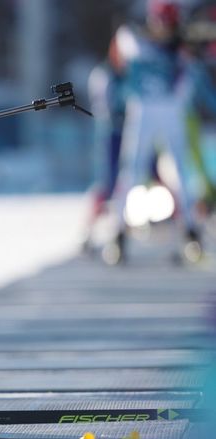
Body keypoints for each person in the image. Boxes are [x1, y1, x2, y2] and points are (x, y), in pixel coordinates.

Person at [106, 0, 216, 264]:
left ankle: (191, 232)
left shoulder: (180, 49)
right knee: (131, 171)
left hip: (169, 109)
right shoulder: (135, 39)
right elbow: (118, 59)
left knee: (179, 170)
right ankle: (118, 234)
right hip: (142, 108)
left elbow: (194, 81)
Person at [82, 33, 127, 253]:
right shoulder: (104, 74)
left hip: (130, 135)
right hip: (110, 135)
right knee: (106, 184)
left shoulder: (130, 74)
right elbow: (103, 106)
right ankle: (90, 233)